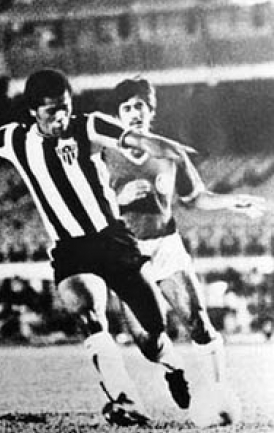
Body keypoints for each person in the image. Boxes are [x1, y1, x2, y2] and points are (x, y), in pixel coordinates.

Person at [0, 68, 198, 425]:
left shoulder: (89, 126)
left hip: (114, 241)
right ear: (33, 111)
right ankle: (126, 401)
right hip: (71, 250)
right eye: (52, 111)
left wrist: (175, 151)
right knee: (89, 316)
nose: (61, 116)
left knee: (152, 333)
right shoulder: (14, 139)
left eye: (65, 107)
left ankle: (172, 364)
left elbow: (138, 140)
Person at [105, 77, 265, 393]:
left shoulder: (169, 153)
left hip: (166, 246)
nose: (134, 113)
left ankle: (220, 392)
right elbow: (90, 204)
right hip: (126, 252)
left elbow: (195, 198)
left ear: (150, 111)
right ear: (118, 115)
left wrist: (233, 202)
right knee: (148, 340)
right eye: (127, 108)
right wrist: (118, 200)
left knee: (199, 322)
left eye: (139, 106)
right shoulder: (104, 154)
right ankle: (173, 368)